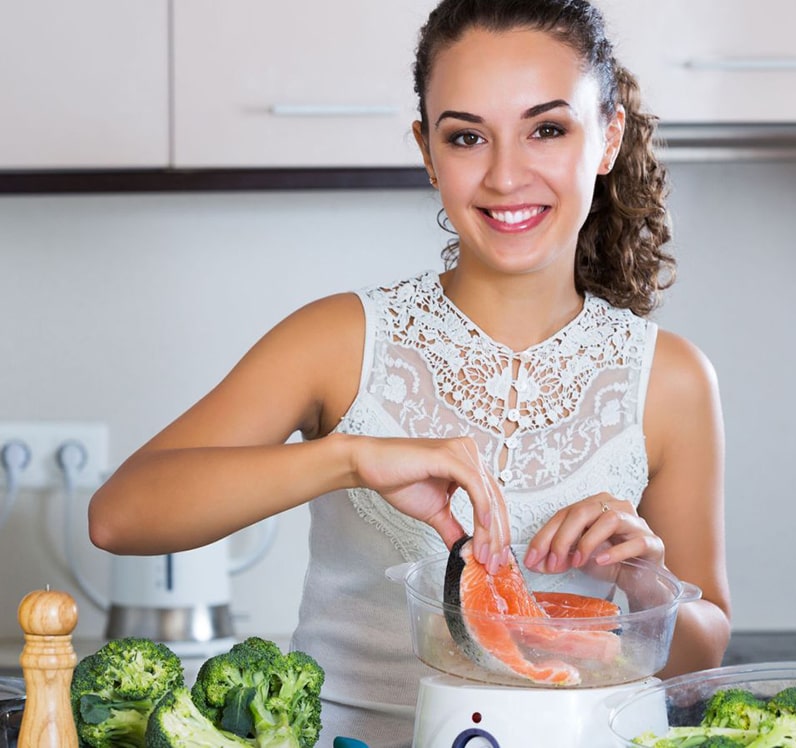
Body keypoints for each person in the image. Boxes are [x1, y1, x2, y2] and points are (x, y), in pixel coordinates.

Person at [88, 0, 731, 744]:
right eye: (467, 137)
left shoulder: (672, 379)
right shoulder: (339, 339)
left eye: (547, 129)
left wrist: (646, 585)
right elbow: (120, 515)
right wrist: (350, 459)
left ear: (608, 137)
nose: (505, 174)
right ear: (428, 151)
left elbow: (703, 647)